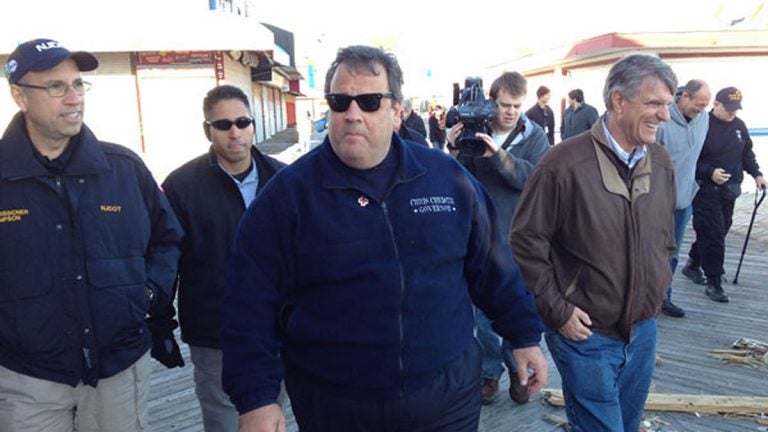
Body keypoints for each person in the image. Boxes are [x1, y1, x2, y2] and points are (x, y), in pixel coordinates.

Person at [221, 45, 547, 432]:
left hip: (447, 398)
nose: (352, 114)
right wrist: (256, 397)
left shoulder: (448, 179)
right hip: (338, 403)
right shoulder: (287, 196)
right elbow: (249, 301)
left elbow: (494, 266)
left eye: (370, 101)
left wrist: (523, 335)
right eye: (340, 102)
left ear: (396, 111)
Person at [0, 38, 183, 431]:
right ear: (20, 96)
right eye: (55, 86)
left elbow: (167, 239)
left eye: (78, 84)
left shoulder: (123, 169)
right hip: (28, 380)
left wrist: (147, 292)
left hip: (119, 371)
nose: (73, 98)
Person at [510, 54, 678, 432]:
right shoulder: (562, 164)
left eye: (668, 104)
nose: (665, 116)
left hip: (644, 331)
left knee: (627, 424)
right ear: (618, 101)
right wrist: (558, 311)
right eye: (654, 103)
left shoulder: (662, 162)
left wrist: (658, 287)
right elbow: (525, 241)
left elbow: (666, 237)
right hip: (586, 334)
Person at [161, 85, 285, 431]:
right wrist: (160, 320)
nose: (235, 132)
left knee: (274, 418)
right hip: (216, 333)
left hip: (280, 329)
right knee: (225, 422)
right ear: (208, 130)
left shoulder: (284, 179)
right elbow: (167, 257)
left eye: (243, 122)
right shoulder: (182, 186)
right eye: (224, 124)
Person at [446, 71, 549, 405]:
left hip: (520, 239)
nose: (511, 112)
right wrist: (453, 147)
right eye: (505, 104)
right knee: (484, 317)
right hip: (482, 239)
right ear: (491, 102)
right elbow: (454, 180)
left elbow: (535, 180)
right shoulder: (475, 131)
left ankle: (519, 372)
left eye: (517, 106)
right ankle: (489, 374)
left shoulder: (535, 137)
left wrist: (499, 157)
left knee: (519, 309)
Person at [682, 87, 767, 303]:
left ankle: (693, 263)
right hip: (705, 189)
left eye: (735, 110)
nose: (732, 113)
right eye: (728, 109)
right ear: (716, 105)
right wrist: (709, 172)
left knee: (722, 228)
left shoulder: (738, 125)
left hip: (730, 190)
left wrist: (756, 174)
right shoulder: (701, 124)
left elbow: (746, 152)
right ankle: (714, 282)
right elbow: (688, 157)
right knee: (713, 234)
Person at [655, 79, 712, 318]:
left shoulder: (705, 119)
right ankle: (643, 299)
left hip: (684, 201)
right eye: (698, 104)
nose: (701, 109)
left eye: (705, 105)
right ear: (684, 97)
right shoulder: (662, 122)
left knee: (673, 254)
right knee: (649, 252)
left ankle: (663, 299)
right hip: (656, 203)